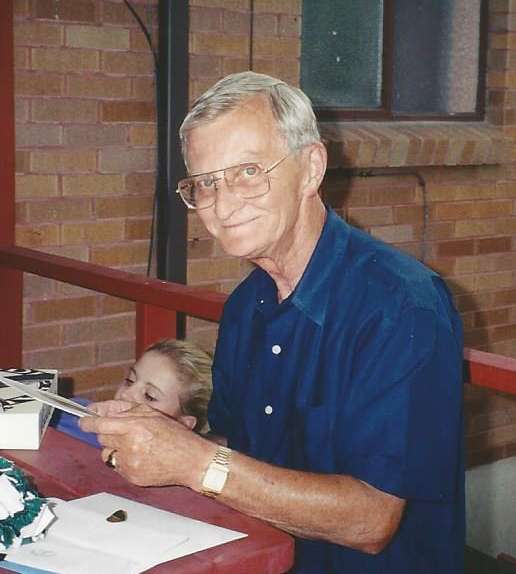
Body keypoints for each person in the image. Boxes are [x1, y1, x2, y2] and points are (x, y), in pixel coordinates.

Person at [82, 71, 465, 573]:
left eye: (247, 172)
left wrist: (195, 463)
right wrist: (160, 437)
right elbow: (239, 451)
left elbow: (372, 521)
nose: (222, 205)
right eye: (205, 183)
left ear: (311, 169)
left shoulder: (402, 307)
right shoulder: (246, 306)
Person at [54, 339, 212, 445]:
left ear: (183, 424)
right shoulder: (70, 412)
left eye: (149, 396)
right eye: (130, 380)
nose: (126, 394)